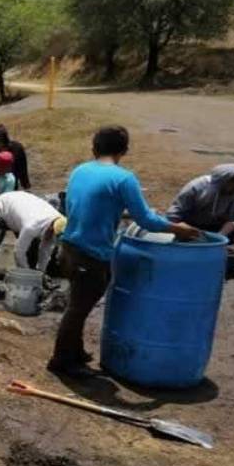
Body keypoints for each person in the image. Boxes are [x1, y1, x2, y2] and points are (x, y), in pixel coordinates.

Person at [48, 126, 200, 378]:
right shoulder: (123, 178)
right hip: (92, 253)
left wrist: (120, 210)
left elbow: (88, 203)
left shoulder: (80, 170)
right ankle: (61, 360)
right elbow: (146, 220)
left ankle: (75, 351)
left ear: (94, 147)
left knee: (78, 302)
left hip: (68, 248)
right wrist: (178, 229)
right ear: (124, 150)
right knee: (78, 309)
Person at [0, 190, 67, 271]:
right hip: (5, 205)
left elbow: (45, 251)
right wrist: (27, 273)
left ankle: (30, 269)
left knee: (31, 248)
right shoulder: (32, 226)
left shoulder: (60, 220)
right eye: (52, 234)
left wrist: (41, 272)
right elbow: (18, 252)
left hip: (22, 210)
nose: (52, 237)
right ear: (50, 227)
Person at [166, 164, 234, 240]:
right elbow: (173, 214)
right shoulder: (196, 188)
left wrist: (220, 236)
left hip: (220, 227)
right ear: (225, 182)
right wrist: (181, 230)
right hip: (190, 225)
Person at [0, 124, 31, 190]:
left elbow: (22, 167)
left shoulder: (17, 148)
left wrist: (26, 184)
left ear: (3, 140)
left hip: (12, 182)